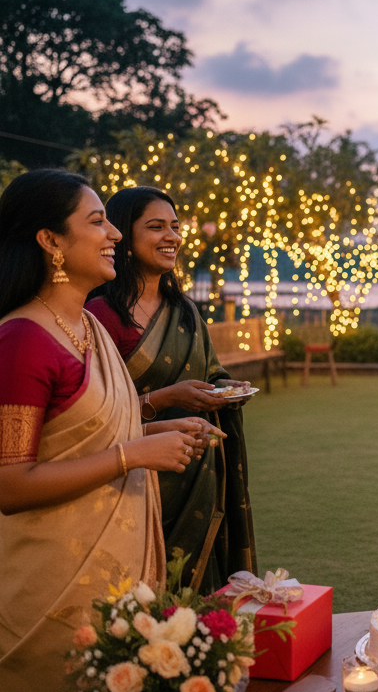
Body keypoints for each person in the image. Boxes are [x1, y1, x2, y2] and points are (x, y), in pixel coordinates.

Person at [0, 170, 204, 690]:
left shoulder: (88, 327)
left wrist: (154, 419)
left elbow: (92, 420)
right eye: (97, 222)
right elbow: (10, 484)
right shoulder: (23, 340)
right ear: (50, 241)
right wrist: (131, 455)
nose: (114, 234)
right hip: (49, 594)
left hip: (114, 588)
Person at [87, 186, 257, 593]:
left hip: (197, 466)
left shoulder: (185, 310)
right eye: (156, 226)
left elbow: (209, 372)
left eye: (176, 227)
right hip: (132, 474)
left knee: (198, 586)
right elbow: (93, 414)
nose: (172, 237)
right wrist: (165, 399)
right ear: (123, 235)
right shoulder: (100, 315)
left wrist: (224, 388)